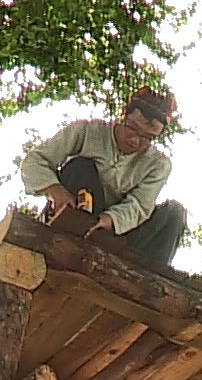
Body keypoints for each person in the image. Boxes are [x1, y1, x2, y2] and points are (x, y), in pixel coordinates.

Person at [19, 86, 187, 267]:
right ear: (123, 116)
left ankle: (150, 275)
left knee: (175, 213)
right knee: (81, 166)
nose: (135, 140)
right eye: (132, 128)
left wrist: (109, 220)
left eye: (147, 138)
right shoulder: (85, 131)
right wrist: (55, 191)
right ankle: (68, 234)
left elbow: (139, 205)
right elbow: (33, 162)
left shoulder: (158, 165)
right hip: (74, 213)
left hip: (117, 234)